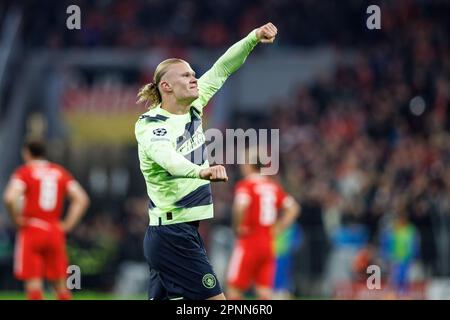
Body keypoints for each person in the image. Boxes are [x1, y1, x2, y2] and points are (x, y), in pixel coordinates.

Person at [135, 23, 278, 300]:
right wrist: (201, 171)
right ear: (166, 86)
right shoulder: (151, 124)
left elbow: (223, 67)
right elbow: (168, 159)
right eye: (186, 75)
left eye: (193, 74)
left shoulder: (194, 106)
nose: (193, 79)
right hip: (172, 235)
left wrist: (253, 37)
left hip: (178, 232)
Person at [3, 140, 89, 300]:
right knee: (61, 285)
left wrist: (16, 219)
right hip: (54, 229)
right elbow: (82, 199)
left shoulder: (25, 172)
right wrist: (68, 224)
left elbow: (9, 197)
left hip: (32, 228)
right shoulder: (59, 172)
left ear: (27, 152)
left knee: (34, 283)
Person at [226, 150, 300, 299]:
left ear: (248, 165)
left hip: (249, 241)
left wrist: (237, 227)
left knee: (233, 289)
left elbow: (240, 206)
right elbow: (294, 208)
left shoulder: (246, 185)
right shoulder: (273, 187)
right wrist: (278, 228)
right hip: (267, 243)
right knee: (264, 291)